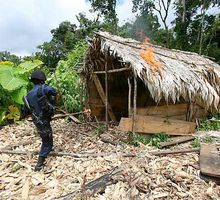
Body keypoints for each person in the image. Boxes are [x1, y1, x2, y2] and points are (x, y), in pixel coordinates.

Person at [23, 70, 58, 171]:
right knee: (47, 141)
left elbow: (26, 111)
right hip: (43, 119)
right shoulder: (44, 88)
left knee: (47, 134)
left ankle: (48, 149)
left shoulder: (29, 94)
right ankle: (39, 164)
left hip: (37, 120)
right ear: (42, 79)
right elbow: (55, 91)